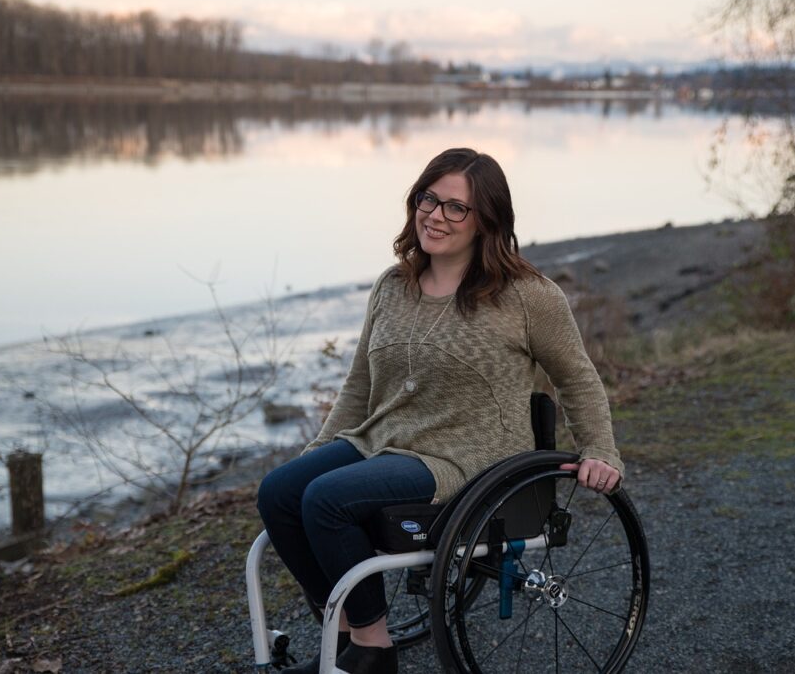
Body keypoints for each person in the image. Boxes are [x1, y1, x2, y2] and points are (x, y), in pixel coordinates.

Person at [256, 147, 623, 674]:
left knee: (327, 500)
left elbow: (577, 378)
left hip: (464, 456)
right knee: (281, 490)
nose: (435, 215)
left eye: (457, 208)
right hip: (382, 440)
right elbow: (360, 383)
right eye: (429, 198)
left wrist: (601, 449)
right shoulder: (392, 285)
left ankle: (373, 649)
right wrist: (320, 449)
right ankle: (341, 641)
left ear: (486, 221)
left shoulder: (527, 296)